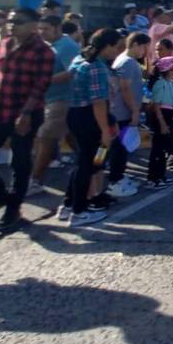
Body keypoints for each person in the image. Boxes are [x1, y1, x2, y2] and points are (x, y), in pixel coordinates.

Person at [0, 7, 54, 231]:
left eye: (19, 22)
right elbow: (0, 76)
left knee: (19, 161)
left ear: (33, 26)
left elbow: (40, 86)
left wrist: (25, 114)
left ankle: (13, 209)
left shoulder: (43, 51)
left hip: (25, 112)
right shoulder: (6, 43)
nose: (12, 25)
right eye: (11, 21)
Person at [61, 29, 123, 225]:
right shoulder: (97, 67)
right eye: (116, 47)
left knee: (86, 161)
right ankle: (79, 210)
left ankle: (69, 204)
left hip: (76, 115)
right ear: (107, 46)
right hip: (91, 119)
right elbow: (98, 102)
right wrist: (105, 130)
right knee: (88, 164)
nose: (118, 51)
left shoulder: (80, 59)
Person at [30, 15, 80, 191]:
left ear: (57, 28)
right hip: (49, 98)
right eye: (40, 28)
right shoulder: (48, 45)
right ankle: (96, 165)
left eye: (46, 29)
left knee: (46, 137)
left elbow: (72, 72)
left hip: (63, 99)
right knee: (74, 138)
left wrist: (43, 81)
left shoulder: (67, 46)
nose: (42, 32)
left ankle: (35, 180)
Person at [107, 32, 149, 197]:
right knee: (119, 147)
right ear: (135, 44)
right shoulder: (128, 62)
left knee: (120, 147)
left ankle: (119, 176)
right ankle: (115, 181)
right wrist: (135, 110)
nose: (145, 51)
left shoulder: (123, 59)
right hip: (122, 112)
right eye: (144, 47)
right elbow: (125, 88)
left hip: (120, 111)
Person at [145, 56, 173, 188]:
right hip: (162, 116)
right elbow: (157, 105)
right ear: (169, 69)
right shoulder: (160, 84)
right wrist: (162, 124)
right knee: (158, 149)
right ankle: (153, 178)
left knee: (164, 149)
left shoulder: (170, 83)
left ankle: (161, 175)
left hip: (169, 115)